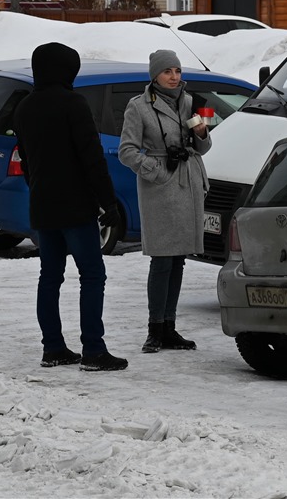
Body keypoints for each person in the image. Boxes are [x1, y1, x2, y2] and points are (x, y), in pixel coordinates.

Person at [13, 42, 127, 372]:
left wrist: (38, 190)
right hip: (76, 207)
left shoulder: (24, 107)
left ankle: (53, 348)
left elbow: (27, 163)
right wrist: (108, 203)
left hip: (42, 205)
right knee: (92, 275)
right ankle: (93, 349)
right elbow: (91, 159)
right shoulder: (73, 104)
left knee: (50, 277)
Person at [118, 50, 212, 354]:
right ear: (154, 75)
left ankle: (170, 327)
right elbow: (127, 151)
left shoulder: (188, 102)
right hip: (160, 188)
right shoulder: (139, 107)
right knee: (162, 258)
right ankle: (155, 328)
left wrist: (201, 133)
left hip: (187, 184)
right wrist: (155, 171)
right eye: (168, 71)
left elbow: (204, 146)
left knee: (178, 258)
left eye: (177, 70)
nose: (174, 77)